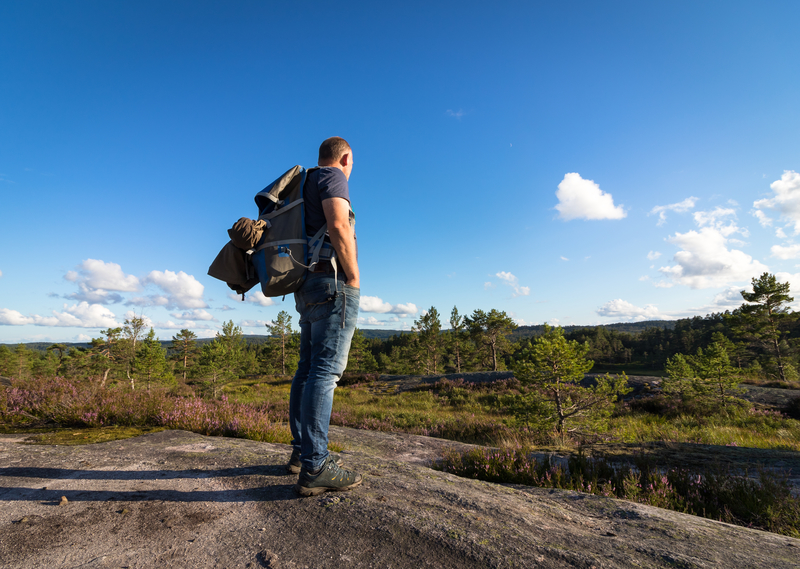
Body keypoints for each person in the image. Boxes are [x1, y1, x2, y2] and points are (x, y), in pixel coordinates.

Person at [287, 136, 362, 496]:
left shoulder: (301, 184)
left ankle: (302, 453)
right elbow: (338, 225)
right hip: (332, 283)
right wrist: (354, 275)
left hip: (305, 285)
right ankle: (316, 465)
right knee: (325, 371)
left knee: (307, 368)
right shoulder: (333, 177)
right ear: (345, 157)